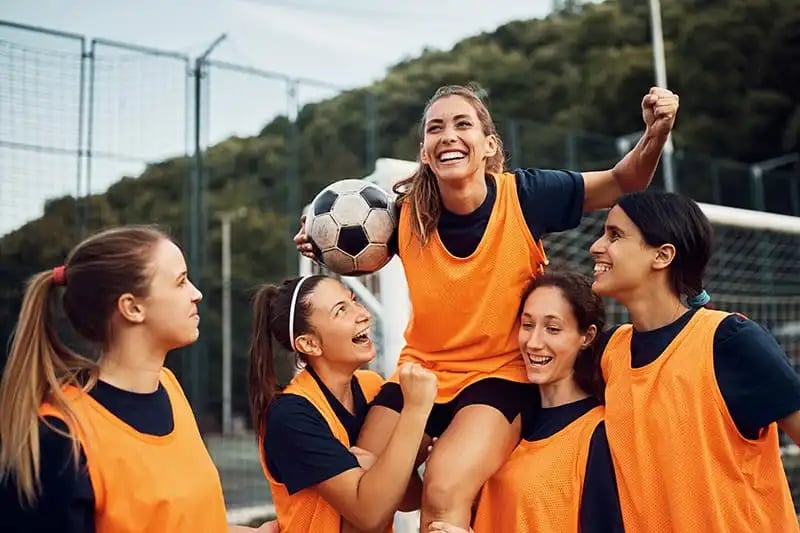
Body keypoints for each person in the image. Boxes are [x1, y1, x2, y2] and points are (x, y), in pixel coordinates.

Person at [295, 82, 679, 529]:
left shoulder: (527, 196)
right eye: (436, 128)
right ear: (424, 151)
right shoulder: (401, 216)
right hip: (422, 372)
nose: (449, 135)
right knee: (363, 485)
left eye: (463, 124)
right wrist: (320, 241)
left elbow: (622, 181)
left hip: (499, 376)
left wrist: (654, 134)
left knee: (442, 492)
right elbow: (362, 253)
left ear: (489, 145)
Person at [0, 226, 266, 532]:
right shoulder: (60, 437)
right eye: (180, 282)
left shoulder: (168, 387)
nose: (197, 294)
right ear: (132, 307)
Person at [589, 190, 800, 532]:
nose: (595, 246)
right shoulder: (609, 352)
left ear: (662, 255)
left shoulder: (728, 340)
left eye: (615, 235)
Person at [429, 270, 623, 533]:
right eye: (527, 325)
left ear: (586, 337)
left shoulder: (597, 434)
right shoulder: (500, 421)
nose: (533, 342)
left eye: (552, 329)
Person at [249, 274, 437, 532]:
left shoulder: (372, 386)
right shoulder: (290, 415)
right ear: (309, 344)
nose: (363, 314)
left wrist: (377, 465)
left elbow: (407, 499)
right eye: (341, 311)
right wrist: (415, 411)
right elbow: (369, 515)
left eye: (354, 300)